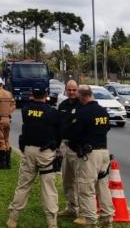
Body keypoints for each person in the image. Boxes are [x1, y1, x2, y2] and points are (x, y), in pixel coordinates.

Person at [6, 87, 60, 228]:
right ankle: (52, 223)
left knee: (23, 185)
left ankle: (13, 218)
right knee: (49, 188)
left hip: (29, 150)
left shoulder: (26, 110)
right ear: (46, 95)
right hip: (46, 153)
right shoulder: (52, 112)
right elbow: (58, 129)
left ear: (32, 95)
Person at [69, 86, 113, 227]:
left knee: (86, 189)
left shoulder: (83, 112)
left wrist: (74, 145)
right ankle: (107, 218)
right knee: (103, 186)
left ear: (81, 97)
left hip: (90, 155)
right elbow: (107, 128)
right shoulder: (102, 111)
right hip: (104, 152)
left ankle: (91, 221)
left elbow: (74, 134)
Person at [57, 80, 81, 218]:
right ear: (65, 90)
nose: (71, 92)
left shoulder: (82, 105)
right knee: (67, 180)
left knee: (80, 181)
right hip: (64, 146)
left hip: (77, 148)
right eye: (69, 90)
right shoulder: (63, 105)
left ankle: (83, 211)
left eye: (74, 90)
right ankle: (71, 207)